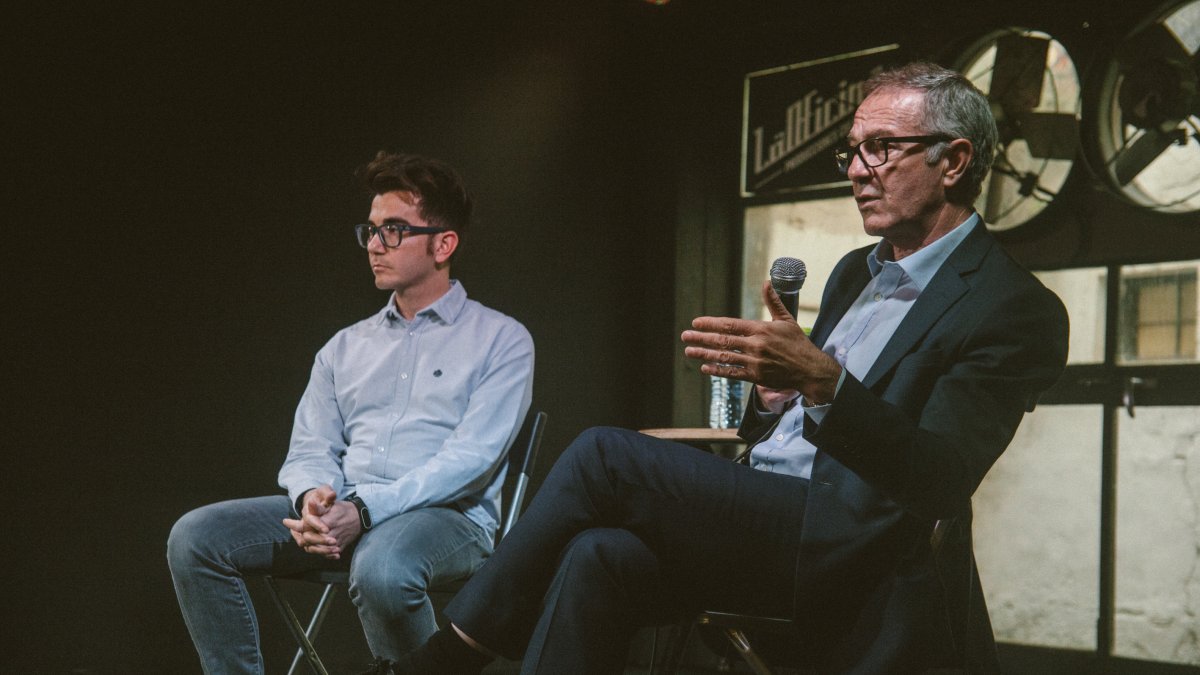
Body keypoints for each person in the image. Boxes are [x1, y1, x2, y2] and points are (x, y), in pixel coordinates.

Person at [375, 62, 1069, 675]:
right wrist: (773, 399)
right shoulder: (860, 270)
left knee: (604, 456)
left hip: (854, 546)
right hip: (769, 519)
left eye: (881, 148)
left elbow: (940, 477)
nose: (858, 169)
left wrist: (825, 382)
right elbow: (784, 432)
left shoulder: (1011, 307)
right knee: (597, 550)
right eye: (852, 151)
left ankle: (446, 658)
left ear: (953, 161)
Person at [167, 151, 535, 674]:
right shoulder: (343, 347)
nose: (373, 245)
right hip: (343, 514)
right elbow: (310, 448)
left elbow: (470, 460)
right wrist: (313, 497)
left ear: (443, 244)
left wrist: (364, 510)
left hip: (447, 519)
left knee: (382, 568)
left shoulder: (502, 340)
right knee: (196, 538)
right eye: (369, 230)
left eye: (392, 230)